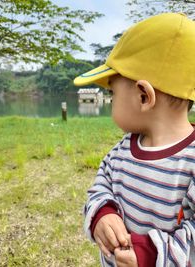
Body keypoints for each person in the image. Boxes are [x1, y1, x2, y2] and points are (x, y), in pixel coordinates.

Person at [74, 13, 195, 267]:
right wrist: (102, 214)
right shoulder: (121, 151)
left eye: (112, 91)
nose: (110, 100)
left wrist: (149, 253)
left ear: (143, 97)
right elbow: (100, 187)